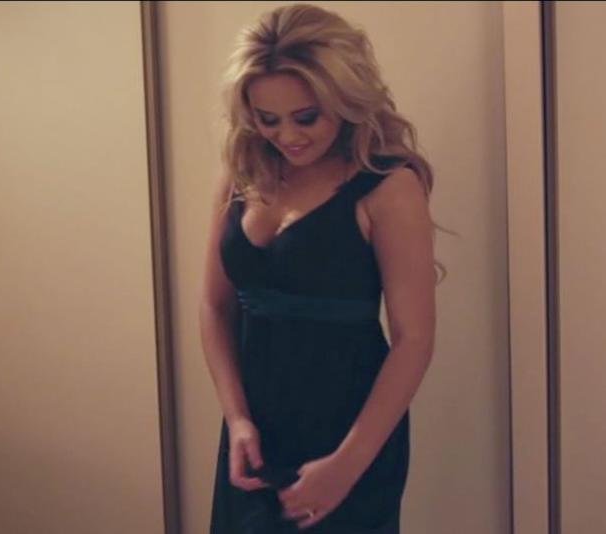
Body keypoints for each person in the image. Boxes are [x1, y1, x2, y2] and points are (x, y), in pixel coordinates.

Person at [199, 4, 441, 533]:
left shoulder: (388, 186)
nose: (287, 135)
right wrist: (237, 418)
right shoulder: (242, 172)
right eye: (268, 119)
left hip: (349, 434)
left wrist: (346, 466)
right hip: (253, 430)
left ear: (343, 98)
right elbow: (215, 307)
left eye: (306, 117)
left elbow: (414, 339)